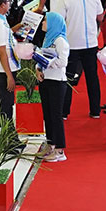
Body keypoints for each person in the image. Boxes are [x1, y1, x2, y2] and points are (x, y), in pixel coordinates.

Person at [56, 0, 104, 119]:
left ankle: (64, 112)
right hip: (91, 42)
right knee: (92, 77)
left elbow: (59, 20)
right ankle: (95, 111)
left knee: (68, 77)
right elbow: (100, 17)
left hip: (72, 44)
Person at [37, 12, 69, 162]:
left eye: (45, 20)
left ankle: (60, 150)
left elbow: (63, 62)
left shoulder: (60, 41)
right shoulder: (47, 39)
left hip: (57, 82)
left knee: (56, 115)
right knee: (47, 114)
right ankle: (50, 144)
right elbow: (40, 56)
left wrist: (48, 62)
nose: (43, 23)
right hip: (46, 80)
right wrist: (38, 69)